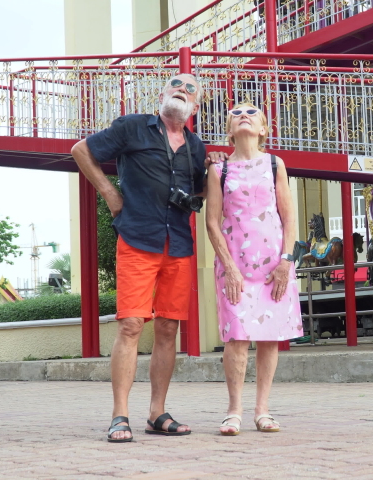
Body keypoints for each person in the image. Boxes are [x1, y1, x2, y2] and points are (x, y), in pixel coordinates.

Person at [71, 74, 206, 443]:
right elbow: (81, 150)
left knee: (168, 328)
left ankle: (157, 413)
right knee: (131, 324)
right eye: (175, 85)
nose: (182, 89)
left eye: (190, 89)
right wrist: (110, 194)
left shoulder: (197, 147)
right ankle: (119, 415)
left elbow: (200, 191)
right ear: (162, 95)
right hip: (137, 238)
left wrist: (222, 167)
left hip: (177, 243)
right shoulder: (133, 127)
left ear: (196, 106)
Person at [205, 103, 303, 435]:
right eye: (235, 112)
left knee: (268, 338)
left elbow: (289, 218)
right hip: (235, 268)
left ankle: (263, 410)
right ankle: (234, 410)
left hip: (274, 267)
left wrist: (286, 261)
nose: (243, 114)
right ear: (229, 131)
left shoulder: (275, 163)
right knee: (236, 337)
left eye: (252, 112)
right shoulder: (220, 170)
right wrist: (229, 267)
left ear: (263, 128)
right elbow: (212, 223)